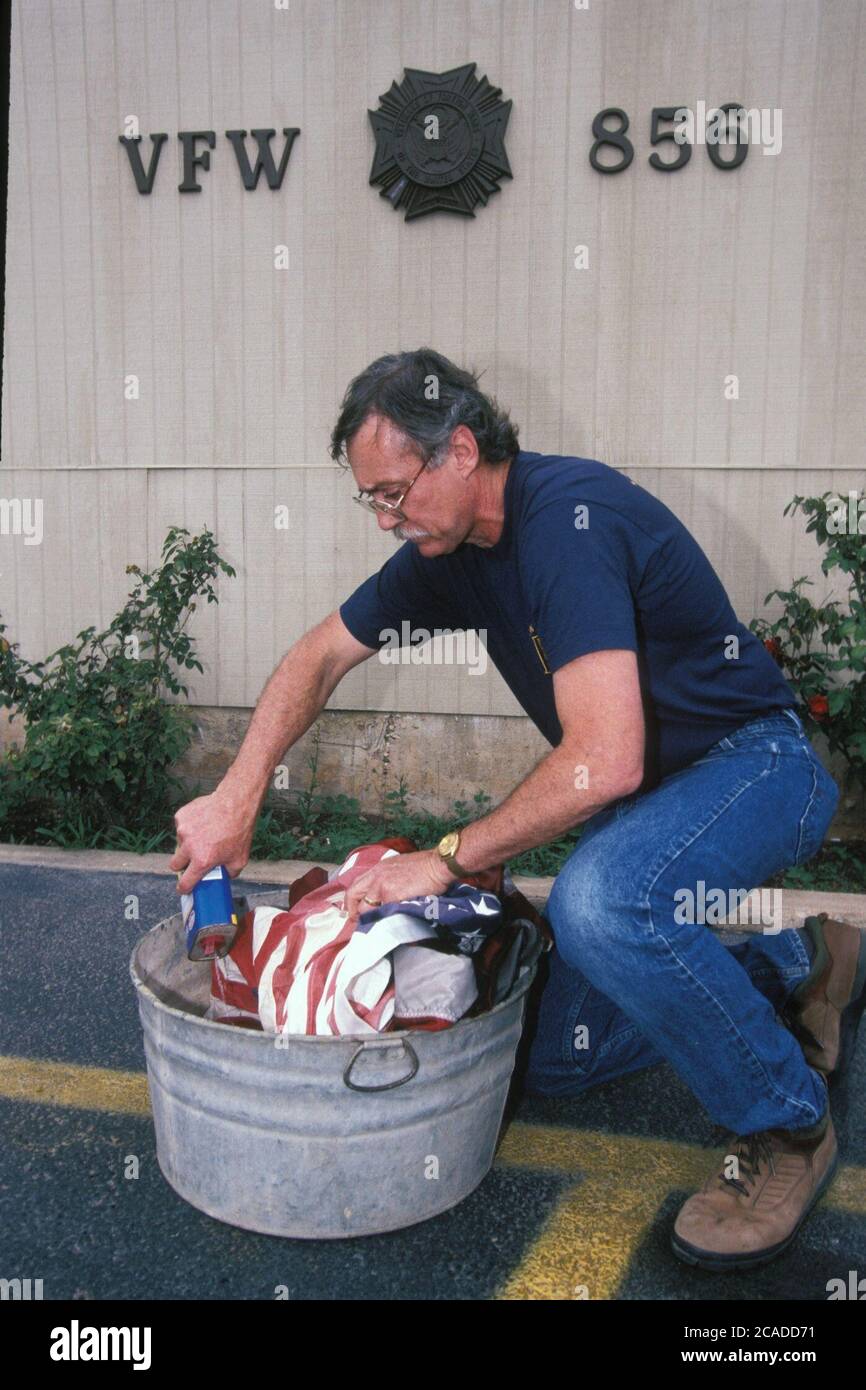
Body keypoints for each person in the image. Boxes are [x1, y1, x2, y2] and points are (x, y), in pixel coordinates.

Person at [171, 348, 865, 1272]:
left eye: (392, 491)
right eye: (368, 500)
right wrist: (236, 792)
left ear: (459, 449)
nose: (384, 518)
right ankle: (796, 962)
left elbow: (604, 761)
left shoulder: (567, 525)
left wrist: (449, 857)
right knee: (550, 1056)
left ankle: (787, 1124)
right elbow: (318, 656)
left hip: (759, 763)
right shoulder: (447, 552)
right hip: (664, 789)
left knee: (602, 904)